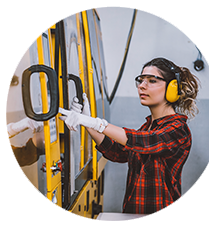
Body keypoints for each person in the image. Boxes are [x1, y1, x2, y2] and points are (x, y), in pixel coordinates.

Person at [59, 57, 199, 215]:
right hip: (134, 214)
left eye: (152, 81)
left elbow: (144, 142)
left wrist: (96, 123)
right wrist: (87, 124)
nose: (142, 86)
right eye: (140, 80)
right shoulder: (147, 127)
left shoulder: (178, 129)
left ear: (173, 89)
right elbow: (118, 153)